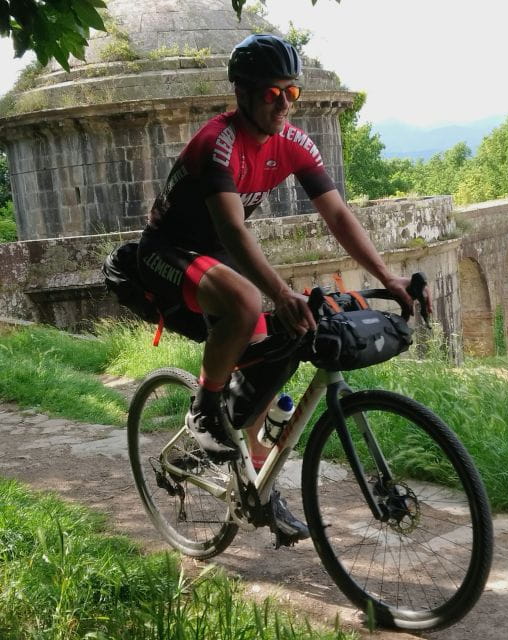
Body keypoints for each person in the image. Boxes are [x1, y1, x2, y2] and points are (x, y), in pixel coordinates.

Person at [137, 34, 428, 539]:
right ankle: (205, 410)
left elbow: (337, 213)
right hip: (168, 250)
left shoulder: (292, 143)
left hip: (217, 257)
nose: (284, 104)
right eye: (273, 94)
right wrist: (277, 292)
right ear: (243, 93)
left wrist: (387, 277)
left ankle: (258, 482)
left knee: (291, 337)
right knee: (250, 302)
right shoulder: (217, 143)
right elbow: (232, 230)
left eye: (291, 93)